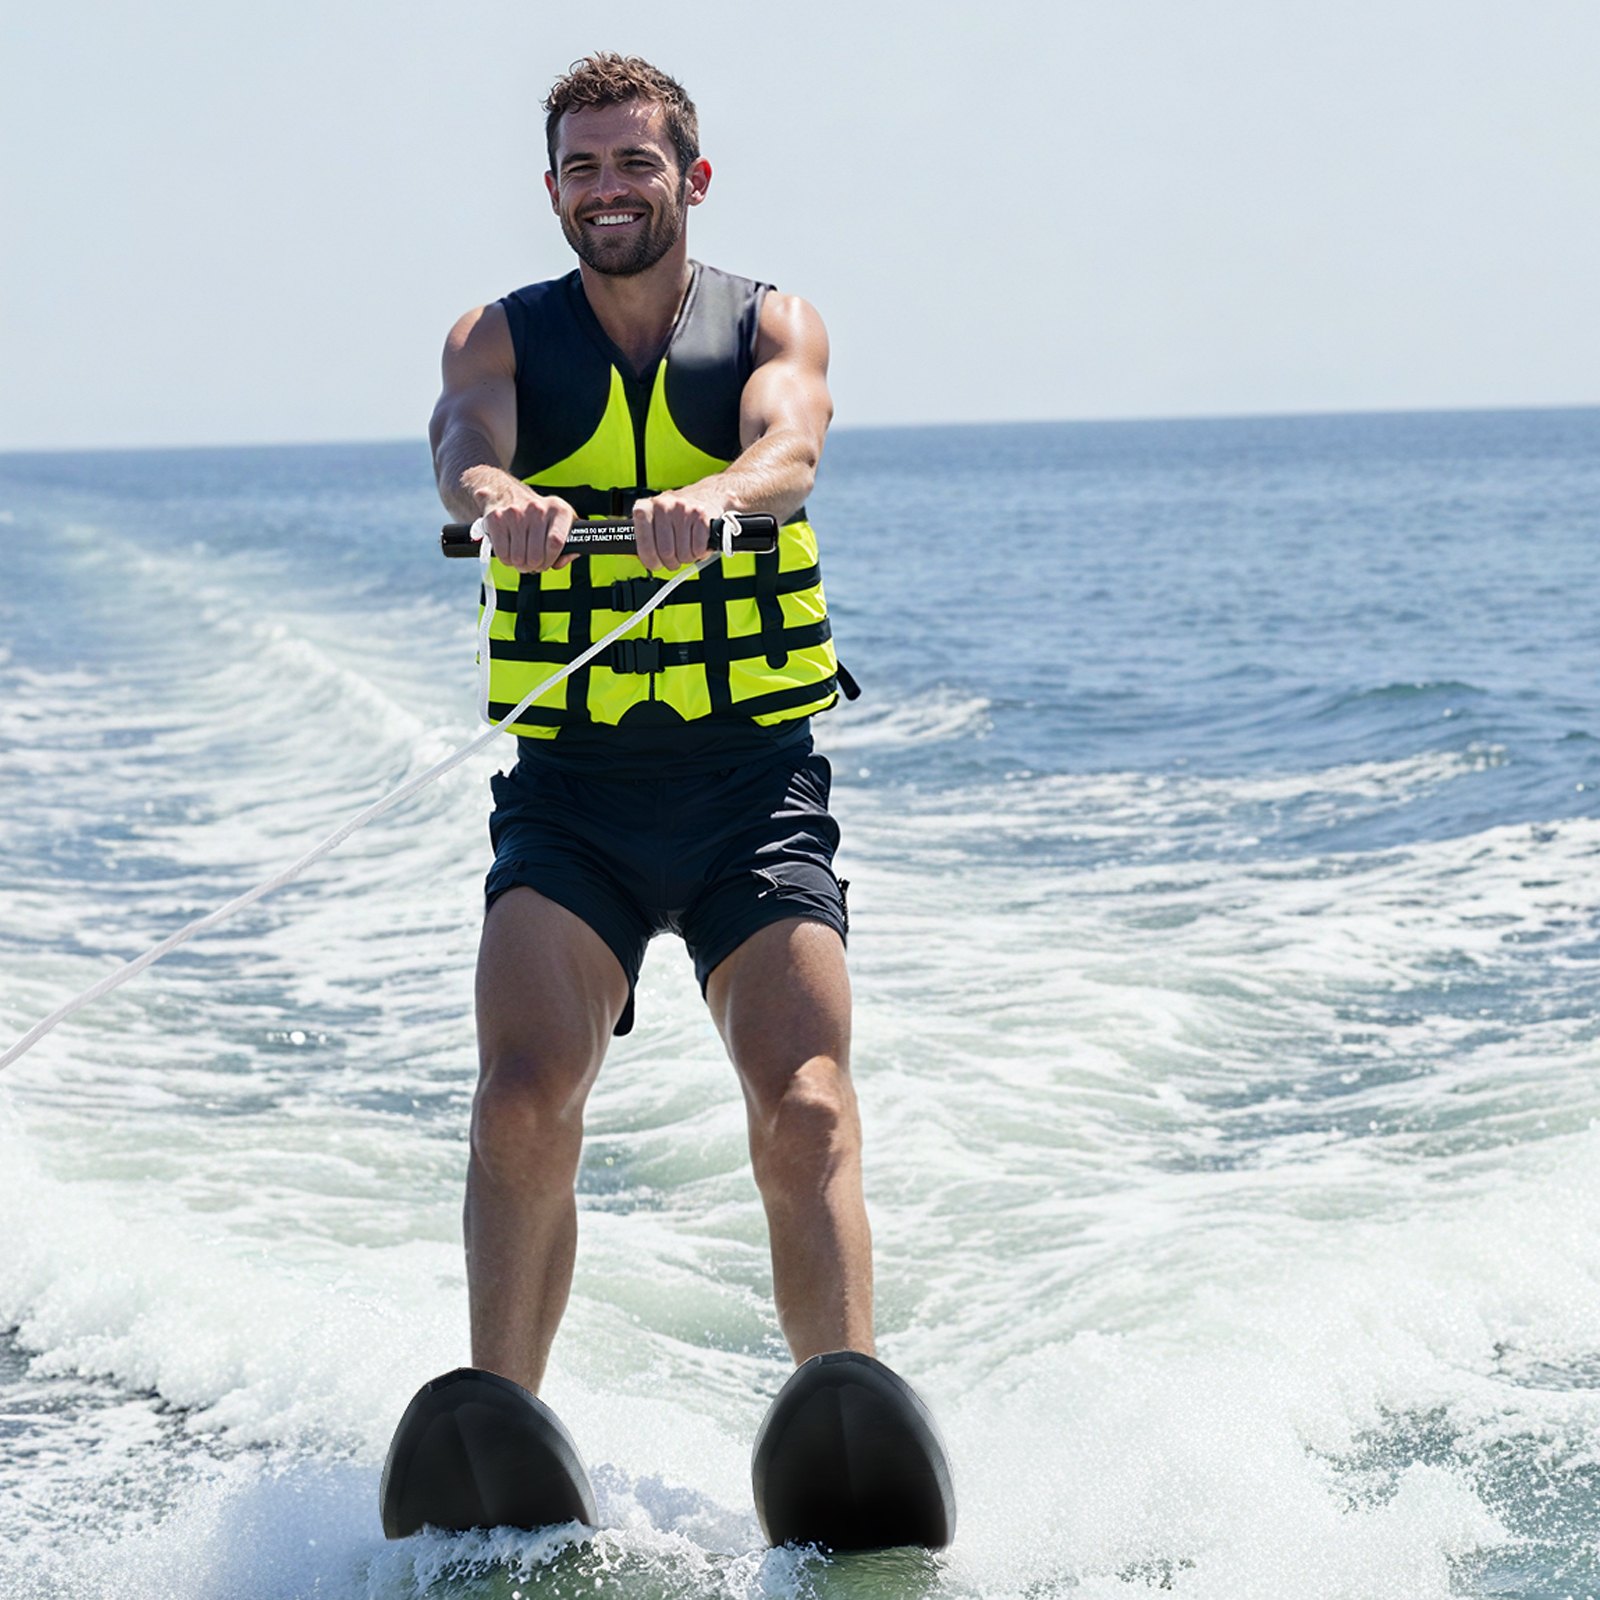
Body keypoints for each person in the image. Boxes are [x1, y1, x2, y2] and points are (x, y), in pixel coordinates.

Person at [428, 53, 871, 1399]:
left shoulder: (770, 323)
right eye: (583, 166)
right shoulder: (498, 339)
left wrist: (718, 498)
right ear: (553, 189)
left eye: (635, 162)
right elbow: (463, 445)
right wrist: (501, 498)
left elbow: (790, 446)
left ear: (693, 177)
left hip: (749, 791)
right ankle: (503, 1428)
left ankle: (846, 1423)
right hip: (575, 799)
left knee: (807, 1107)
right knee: (519, 1100)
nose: (608, 187)